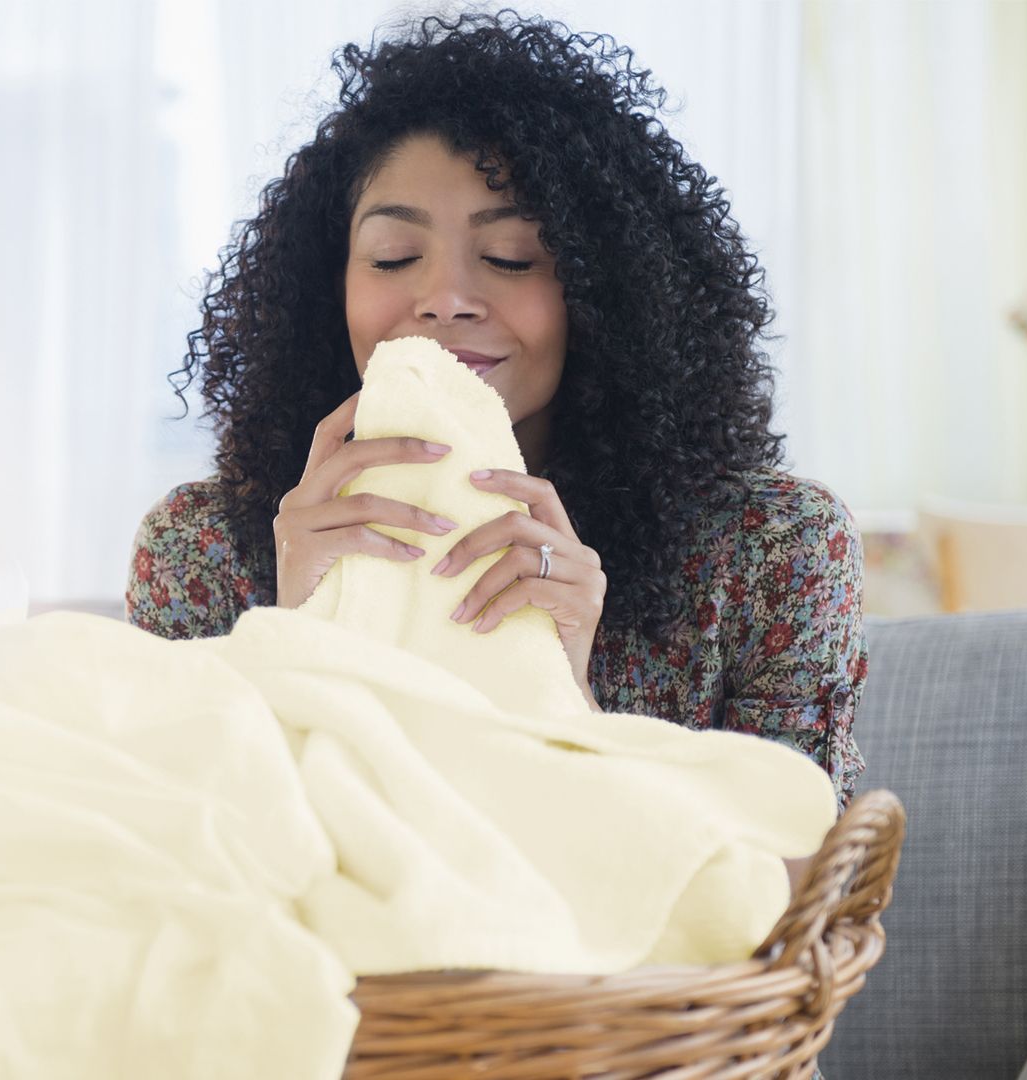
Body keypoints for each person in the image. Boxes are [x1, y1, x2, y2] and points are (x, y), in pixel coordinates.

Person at [127, 10, 865, 811]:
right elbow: (167, 864)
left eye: (511, 258)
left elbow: (794, 887)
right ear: (324, 289)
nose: (443, 300)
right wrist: (296, 637)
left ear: (603, 293)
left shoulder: (769, 554)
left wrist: (568, 696)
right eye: (393, 258)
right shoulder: (202, 550)